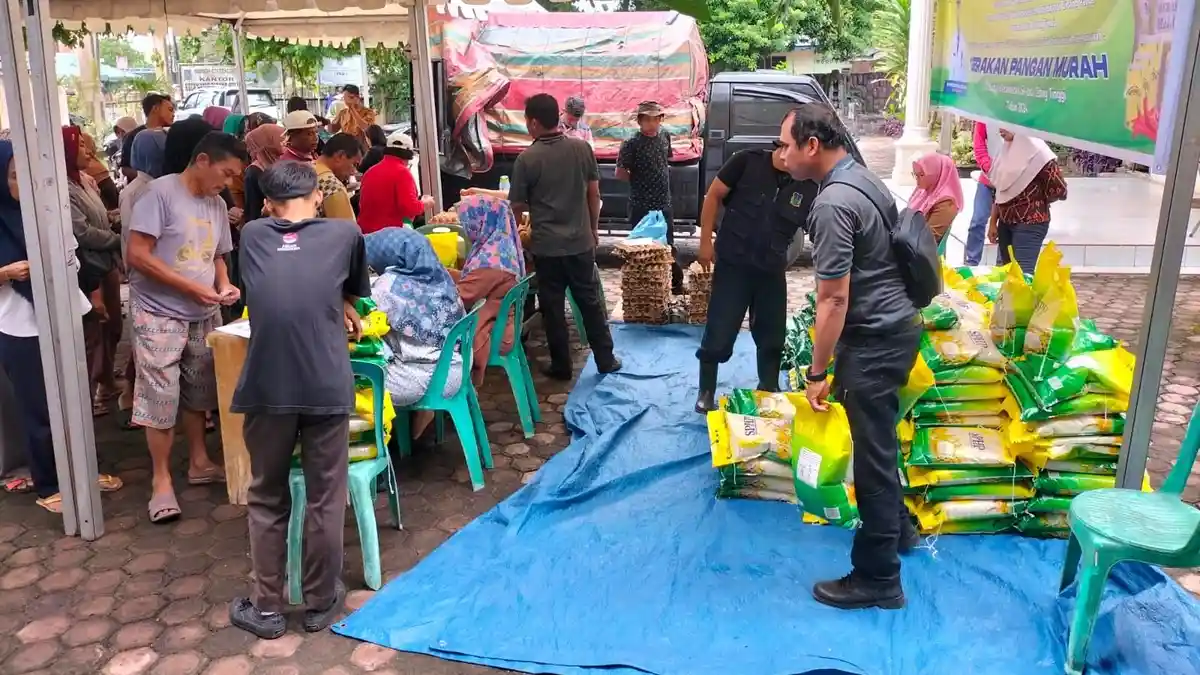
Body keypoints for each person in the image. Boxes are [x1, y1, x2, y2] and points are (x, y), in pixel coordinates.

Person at [777, 103, 921, 611]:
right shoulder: (862, 177)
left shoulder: (833, 203)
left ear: (812, 145)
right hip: (897, 328)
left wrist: (817, 371)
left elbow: (833, 299)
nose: (782, 155)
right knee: (880, 442)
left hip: (875, 339)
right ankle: (901, 529)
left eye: (786, 145)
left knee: (872, 460)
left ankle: (879, 578)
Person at [228, 160, 368, 639]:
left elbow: (269, 289)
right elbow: (346, 288)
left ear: (268, 203)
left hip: (267, 386)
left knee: (267, 495)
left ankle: (267, 609)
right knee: (326, 497)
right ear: (318, 196)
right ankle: (320, 602)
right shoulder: (344, 233)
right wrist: (343, 304)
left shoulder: (252, 235)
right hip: (326, 383)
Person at [126, 131, 248, 523]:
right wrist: (190, 287)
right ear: (203, 161)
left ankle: (199, 461)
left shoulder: (216, 204)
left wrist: (224, 285)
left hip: (203, 311)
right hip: (157, 312)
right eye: (226, 173)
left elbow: (217, 257)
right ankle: (161, 480)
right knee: (160, 397)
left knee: (200, 388)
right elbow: (137, 255)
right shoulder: (158, 195)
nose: (228, 183)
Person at [0, 140, 123, 510]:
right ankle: (49, 484)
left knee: (75, 398)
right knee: (40, 408)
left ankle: (83, 469)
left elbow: (72, 254)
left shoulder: (44, 212)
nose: (24, 183)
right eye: (14, 176)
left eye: (28, 174)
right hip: (22, 327)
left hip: (64, 314)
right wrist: (6, 273)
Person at [693, 142, 819, 412]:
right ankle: (706, 390)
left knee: (772, 333)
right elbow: (713, 195)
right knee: (719, 329)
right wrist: (705, 242)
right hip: (733, 265)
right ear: (783, 148)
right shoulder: (745, 162)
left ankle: (769, 386)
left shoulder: (808, 185)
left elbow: (819, 228)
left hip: (771, 270)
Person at [509, 93, 620, 380]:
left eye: (527, 121)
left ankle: (562, 366)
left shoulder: (526, 159)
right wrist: (593, 229)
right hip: (580, 243)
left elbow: (516, 206)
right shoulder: (582, 149)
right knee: (590, 303)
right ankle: (606, 359)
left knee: (553, 308)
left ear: (534, 123)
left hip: (547, 248)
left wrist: (516, 236)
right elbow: (594, 194)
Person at [366, 228, 465, 445]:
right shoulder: (440, 277)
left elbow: (365, 312)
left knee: (356, 381)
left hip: (426, 378)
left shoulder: (388, 286)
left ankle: (372, 449)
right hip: (455, 367)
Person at [65, 126, 124, 416]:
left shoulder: (82, 181)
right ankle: (93, 393)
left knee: (112, 326)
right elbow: (82, 232)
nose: (88, 152)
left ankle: (107, 380)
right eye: (80, 146)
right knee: (95, 330)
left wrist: (114, 218)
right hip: (89, 269)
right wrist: (118, 239)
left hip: (105, 263)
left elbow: (97, 218)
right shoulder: (63, 188)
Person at [116, 128, 168, 430]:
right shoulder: (142, 191)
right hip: (147, 278)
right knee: (148, 350)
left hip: (147, 277)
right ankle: (144, 410)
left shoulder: (141, 188)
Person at [450, 195, 522, 385]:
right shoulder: (500, 249)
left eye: (468, 222)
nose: (467, 228)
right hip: (504, 328)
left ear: (482, 222)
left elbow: (460, 297)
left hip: (497, 336)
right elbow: (474, 281)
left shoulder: (489, 263)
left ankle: (453, 392)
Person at [617, 100, 682, 294]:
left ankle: (674, 285)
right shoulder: (631, 143)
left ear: (661, 120)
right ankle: (644, 290)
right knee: (641, 251)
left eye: (656, 119)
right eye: (647, 119)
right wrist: (639, 180)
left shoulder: (664, 136)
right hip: (641, 204)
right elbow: (620, 172)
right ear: (640, 121)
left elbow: (666, 160)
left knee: (668, 246)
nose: (652, 123)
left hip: (663, 202)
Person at [987, 130, 1067, 274]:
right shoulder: (1005, 152)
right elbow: (999, 191)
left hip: (1030, 223)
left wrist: (1035, 200)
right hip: (1005, 222)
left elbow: (1059, 189)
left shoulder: (1039, 154)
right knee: (1008, 274)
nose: (1000, 130)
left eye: (1006, 125)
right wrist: (993, 222)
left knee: (1023, 275)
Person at [357, 132, 433, 234]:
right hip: (390, 235)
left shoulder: (370, 172)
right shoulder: (402, 173)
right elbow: (409, 208)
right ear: (408, 155)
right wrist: (425, 203)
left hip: (366, 234)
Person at [965, 122, 1003, 265]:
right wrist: (988, 167)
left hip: (1011, 179)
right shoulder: (985, 117)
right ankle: (972, 262)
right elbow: (979, 145)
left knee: (1006, 224)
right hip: (987, 178)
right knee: (977, 220)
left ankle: (1002, 264)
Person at [908, 152, 964, 243]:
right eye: (915, 175)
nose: (917, 180)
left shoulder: (946, 203)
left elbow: (928, 239)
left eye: (922, 175)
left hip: (918, 247)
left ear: (936, 174)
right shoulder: (924, 191)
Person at [121, 93, 174, 182]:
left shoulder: (172, 134)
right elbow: (125, 168)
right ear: (155, 108)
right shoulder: (133, 136)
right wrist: (145, 179)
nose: (173, 114)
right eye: (170, 110)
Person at [243, 124, 285, 222]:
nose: (284, 142)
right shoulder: (254, 172)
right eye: (279, 138)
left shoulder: (278, 162)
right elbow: (253, 212)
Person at [315, 133, 362, 221]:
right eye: (354, 164)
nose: (353, 172)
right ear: (340, 156)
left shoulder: (304, 170)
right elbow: (347, 228)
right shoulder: (333, 187)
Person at [79, 131, 121, 210]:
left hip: (94, 178)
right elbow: (93, 148)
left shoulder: (84, 164)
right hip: (102, 174)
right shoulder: (84, 136)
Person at [330, 84, 377, 150]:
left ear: (357, 97)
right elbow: (332, 130)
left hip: (363, 151)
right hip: (347, 151)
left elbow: (366, 128)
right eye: (344, 98)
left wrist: (352, 108)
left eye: (350, 97)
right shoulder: (343, 113)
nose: (345, 101)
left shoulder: (369, 112)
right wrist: (326, 122)